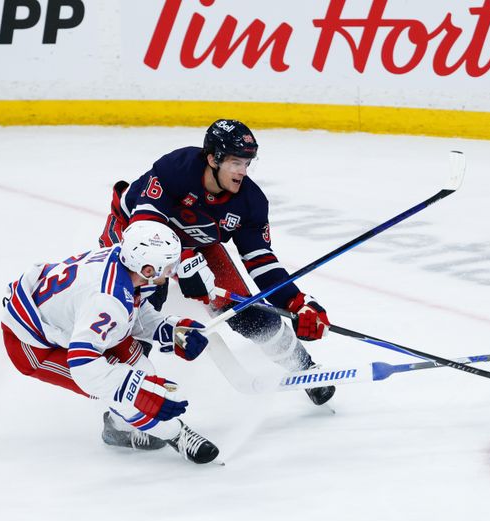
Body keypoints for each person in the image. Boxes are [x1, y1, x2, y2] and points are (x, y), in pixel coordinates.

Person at [98, 119, 334, 406]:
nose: (242, 172)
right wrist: (182, 263)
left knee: (251, 312)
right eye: (235, 162)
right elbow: (145, 226)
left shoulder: (251, 202)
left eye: (247, 163)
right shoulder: (177, 168)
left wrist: (296, 301)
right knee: (141, 307)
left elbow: (261, 260)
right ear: (212, 158)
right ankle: (122, 407)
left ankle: (303, 368)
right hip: (133, 236)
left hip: (194, 245)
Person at [1, 221, 219, 464]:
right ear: (147, 270)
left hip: (73, 320)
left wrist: (170, 330)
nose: (172, 271)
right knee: (125, 389)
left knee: (143, 372)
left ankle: (118, 428)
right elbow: (84, 366)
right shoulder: (107, 299)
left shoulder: (122, 262)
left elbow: (132, 311)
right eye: (168, 266)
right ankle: (176, 434)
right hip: (33, 345)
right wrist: (133, 391)